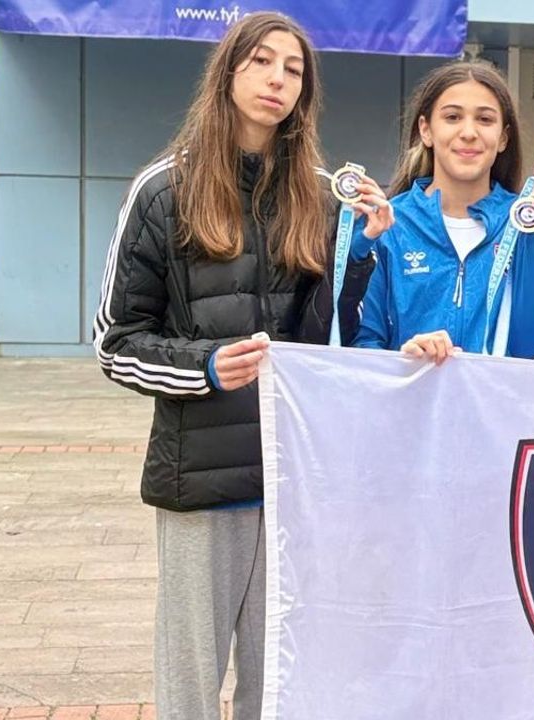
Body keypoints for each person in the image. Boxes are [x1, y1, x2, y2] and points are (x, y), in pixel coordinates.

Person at [91, 13, 370, 719]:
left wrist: (360, 251)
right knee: (190, 679)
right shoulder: (164, 189)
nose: (278, 79)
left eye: (294, 70)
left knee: (275, 678)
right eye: (261, 62)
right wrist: (206, 366)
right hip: (201, 479)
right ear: (227, 73)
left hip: (289, 478)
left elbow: (326, 343)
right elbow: (115, 342)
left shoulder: (320, 194)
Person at [351, 61, 534, 361]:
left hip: (491, 393)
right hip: (411, 392)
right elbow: (363, 344)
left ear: (503, 138)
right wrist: (405, 358)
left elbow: (527, 346)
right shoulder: (390, 223)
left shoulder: (524, 225)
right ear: (426, 130)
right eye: (452, 117)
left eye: (485, 119)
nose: (468, 132)